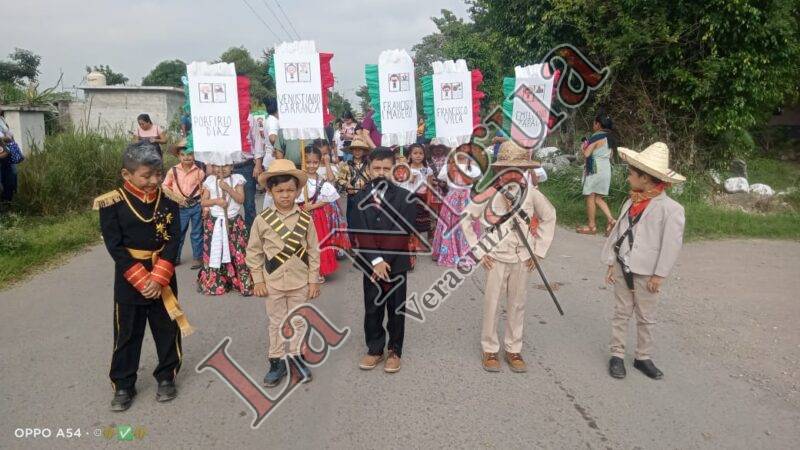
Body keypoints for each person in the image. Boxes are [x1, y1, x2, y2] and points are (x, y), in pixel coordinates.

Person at [93, 141, 192, 412]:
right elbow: (115, 246)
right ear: (127, 175)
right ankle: (124, 384)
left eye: (158, 174)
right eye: (146, 176)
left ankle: (166, 376)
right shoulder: (111, 203)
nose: (153, 181)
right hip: (129, 279)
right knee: (127, 332)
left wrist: (159, 278)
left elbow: (173, 240)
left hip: (162, 274)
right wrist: (141, 279)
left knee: (166, 328)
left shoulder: (168, 199)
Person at [462, 141, 557, 372]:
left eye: (518, 168)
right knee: (492, 304)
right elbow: (466, 219)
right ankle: (490, 349)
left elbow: (549, 216)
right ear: (498, 169)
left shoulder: (531, 194)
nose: (513, 173)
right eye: (507, 168)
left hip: (522, 257)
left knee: (517, 304)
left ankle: (514, 348)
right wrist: (478, 249)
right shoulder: (489, 193)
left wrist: (538, 251)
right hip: (495, 256)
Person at [601, 142, 685, 381]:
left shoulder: (671, 209)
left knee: (646, 316)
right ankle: (617, 354)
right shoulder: (631, 201)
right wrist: (611, 263)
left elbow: (671, 245)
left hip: (648, 272)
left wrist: (660, 275)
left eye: (631, 174)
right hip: (622, 265)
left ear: (646, 178)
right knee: (621, 312)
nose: (629, 178)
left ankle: (643, 357)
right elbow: (620, 233)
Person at [247, 159, 321, 387]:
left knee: (299, 322)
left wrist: (313, 280)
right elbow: (254, 252)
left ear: (298, 191)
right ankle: (277, 362)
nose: (285, 195)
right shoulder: (261, 220)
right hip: (274, 283)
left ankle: (297, 359)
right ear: (270, 191)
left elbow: (313, 250)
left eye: (290, 190)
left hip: (299, 282)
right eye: (279, 191)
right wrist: (258, 280)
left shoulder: (306, 219)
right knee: (276, 323)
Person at [348, 148, 416, 373]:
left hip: (395, 263)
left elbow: (403, 231)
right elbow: (359, 231)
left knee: (396, 307)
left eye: (386, 168)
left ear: (394, 170)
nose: (381, 172)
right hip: (370, 264)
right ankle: (375, 348)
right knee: (372, 306)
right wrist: (375, 260)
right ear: (368, 169)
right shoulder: (358, 198)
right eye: (376, 168)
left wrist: (384, 260)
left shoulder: (405, 197)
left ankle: (395, 350)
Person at [197, 158, 254, 296]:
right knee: (216, 250)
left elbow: (241, 199)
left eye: (225, 165)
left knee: (238, 251)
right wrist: (216, 201)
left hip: (234, 222)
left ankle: (242, 281)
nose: (221, 169)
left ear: (232, 165)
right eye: (217, 165)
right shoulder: (210, 180)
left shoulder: (237, 179)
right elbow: (203, 202)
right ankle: (217, 281)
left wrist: (228, 188)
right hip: (215, 222)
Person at [431, 143, 482, 268]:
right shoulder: (448, 166)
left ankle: (467, 251)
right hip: (452, 199)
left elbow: (477, 177)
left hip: (467, 199)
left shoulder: (473, 167)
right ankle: (448, 251)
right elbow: (441, 177)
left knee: (467, 224)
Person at [162, 140, 206, 269]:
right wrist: (176, 197)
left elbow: (203, 189)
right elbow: (165, 186)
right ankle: (175, 257)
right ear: (178, 156)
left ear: (194, 155)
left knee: (197, 233)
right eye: (183, 155)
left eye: (189, 154)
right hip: (180, 207)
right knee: (178, 232)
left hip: (196, 205)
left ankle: (198, 257)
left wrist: (204, 207)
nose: (186, 157)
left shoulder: (199, 171)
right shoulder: (173, 171)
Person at [297, 145, 339, 280]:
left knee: (316, 242)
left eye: (315, 162)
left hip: (316, 215)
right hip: (299, 213)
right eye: (308, 162)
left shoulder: (320, 180)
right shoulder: (298, 178)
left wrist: (313, 206)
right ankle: (302, 271)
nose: (311, 166)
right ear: (303, 161)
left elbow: (329, 198)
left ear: (319, 161)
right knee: (301, 242)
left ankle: (318, 271)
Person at [577, 113, 616, 236]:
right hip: (606, 168)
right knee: (598, 198)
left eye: (594, 123)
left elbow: (587, 154)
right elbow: (610, 156)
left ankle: (591, 227)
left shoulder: (596, 137)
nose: (593, 125)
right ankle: (611, 220)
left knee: (590, 196)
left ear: (598, 124)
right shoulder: (610, 138)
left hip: (595, 169)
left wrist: (583, 147)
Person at [233, 113, 266, 232]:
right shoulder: (221, 113)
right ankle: (231, 240)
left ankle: (252, 238)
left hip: (246, 166)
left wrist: (257, 165)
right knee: (227, 205)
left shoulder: (249, 117)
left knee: (249, 204)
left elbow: (257, 141)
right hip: (226, 167)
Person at [335, 137, 372, 218]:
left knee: (368, 217)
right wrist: (347, 185)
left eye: (360, 149)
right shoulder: (346, 165)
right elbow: (339, 179)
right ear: (351, 151)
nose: (357, 152)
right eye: (355, 149)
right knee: (352, 218)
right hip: (352, 196)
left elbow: (373, 178)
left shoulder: (369, 165)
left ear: (364, 151)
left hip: (367, 195)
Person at [0, 108, 22, 203]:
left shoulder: (2, 119)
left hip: (7, 153)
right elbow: (5, 138)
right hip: (2, 153)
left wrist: (10, 141)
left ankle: (8, 200)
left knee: (12, 176)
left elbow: (9, 135)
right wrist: (6, 139)